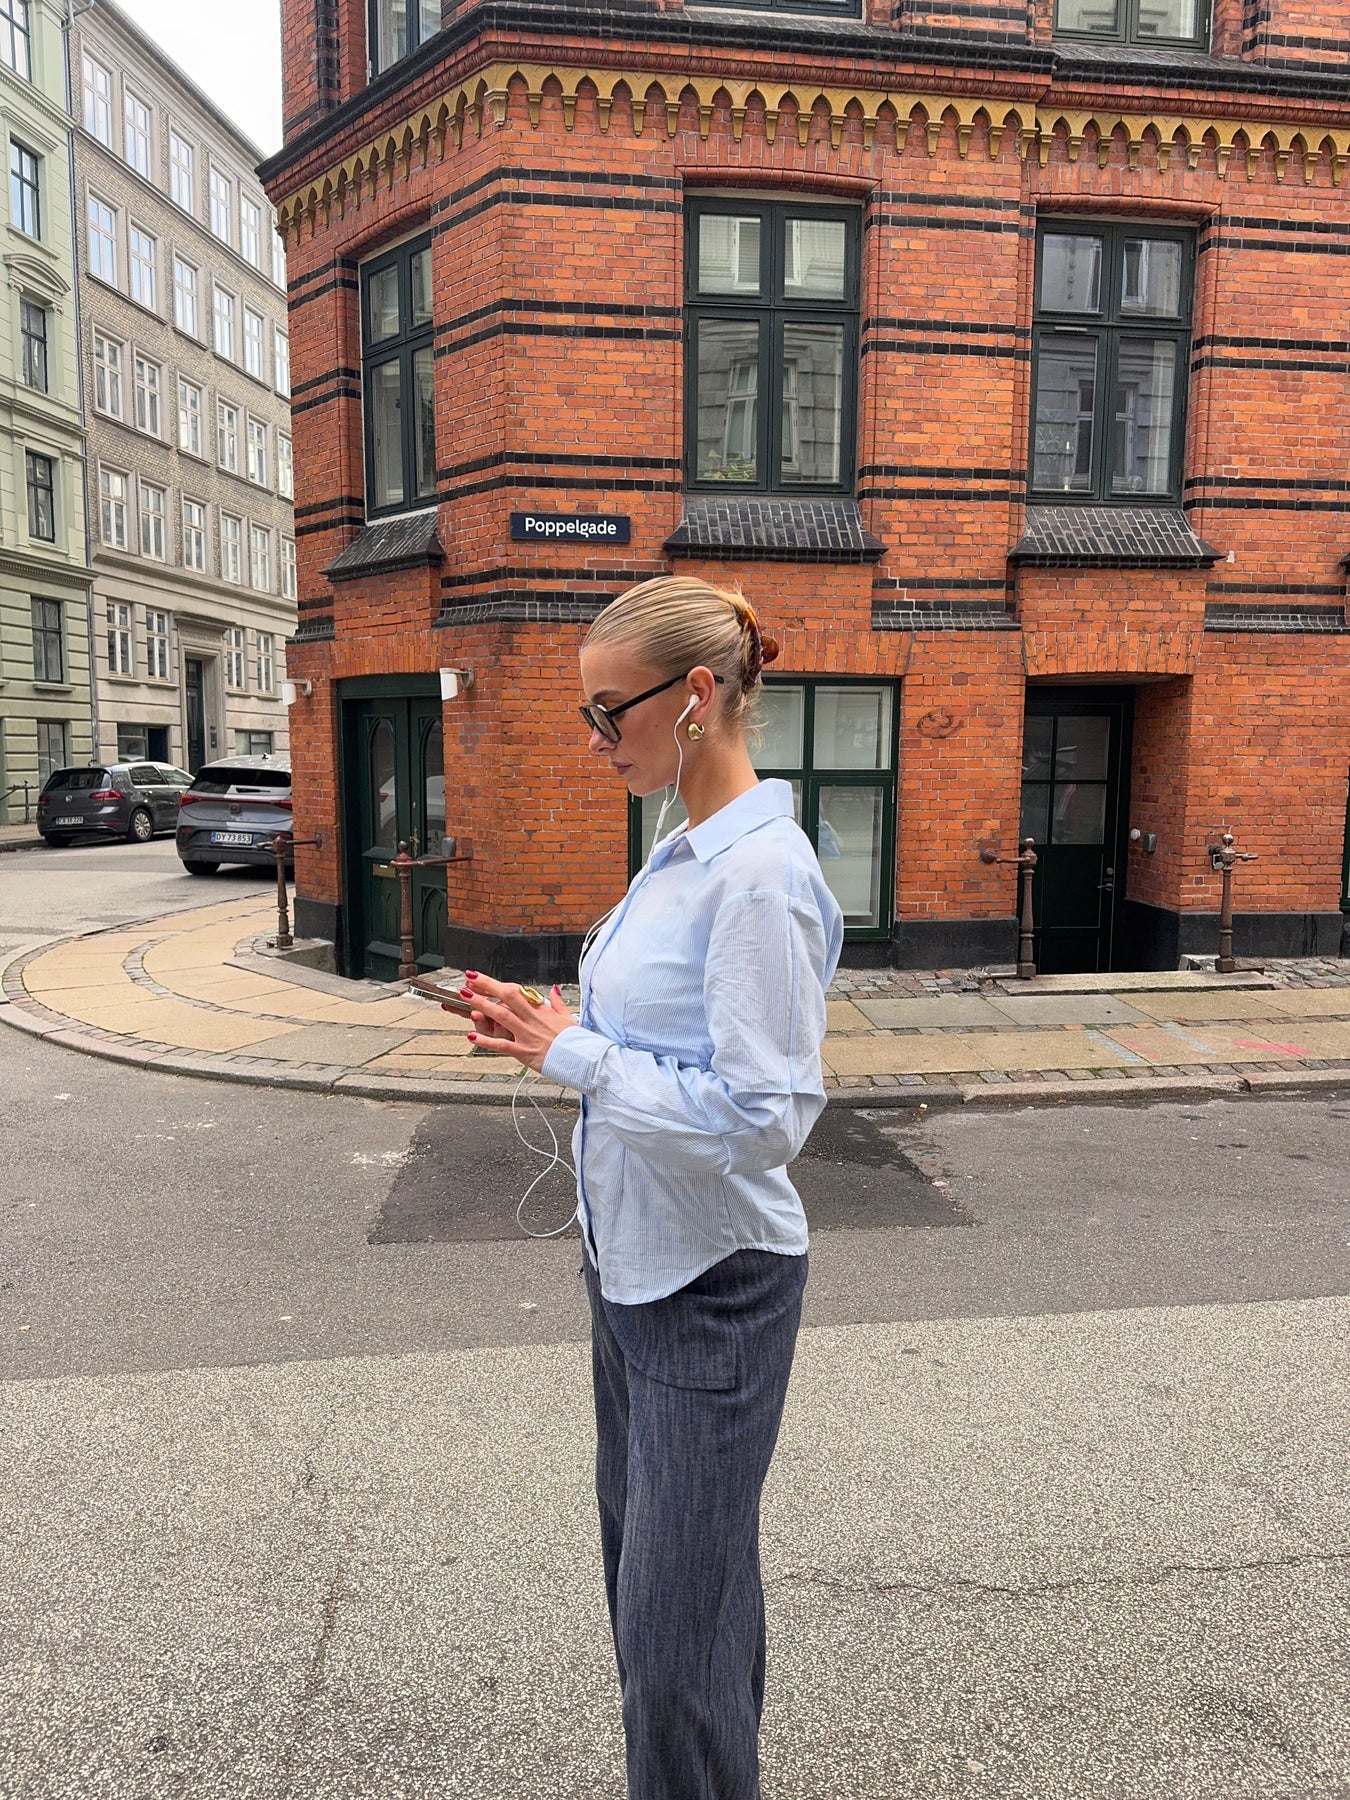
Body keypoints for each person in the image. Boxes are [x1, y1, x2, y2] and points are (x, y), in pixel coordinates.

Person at [460, 576, 844, 1800]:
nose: (592, 741)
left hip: (711, 1287)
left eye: (605, 712)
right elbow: (665, 1048)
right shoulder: (678, 855)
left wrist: (572, 1057)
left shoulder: (757, 877)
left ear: (694, 696)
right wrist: (556, 1027)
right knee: (677, 1606)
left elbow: (765, 1119)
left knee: (671, 1651)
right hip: (630, 1270)